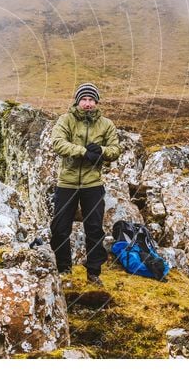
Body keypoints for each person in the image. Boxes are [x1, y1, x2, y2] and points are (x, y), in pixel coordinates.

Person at [50, 82, 121, 286]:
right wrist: (83, 152)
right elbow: (58, 143)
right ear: (77, 101)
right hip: (67, 183)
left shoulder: (106, 124)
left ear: (96, 102)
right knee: (60, 228)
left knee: (94, 229)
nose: (87, 103)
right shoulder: (65, 120)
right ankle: (64, 270)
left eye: (91, 100)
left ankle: (93, 273)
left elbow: (115, 149)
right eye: (84, 99)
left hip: (93, 184)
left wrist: (100, 150)